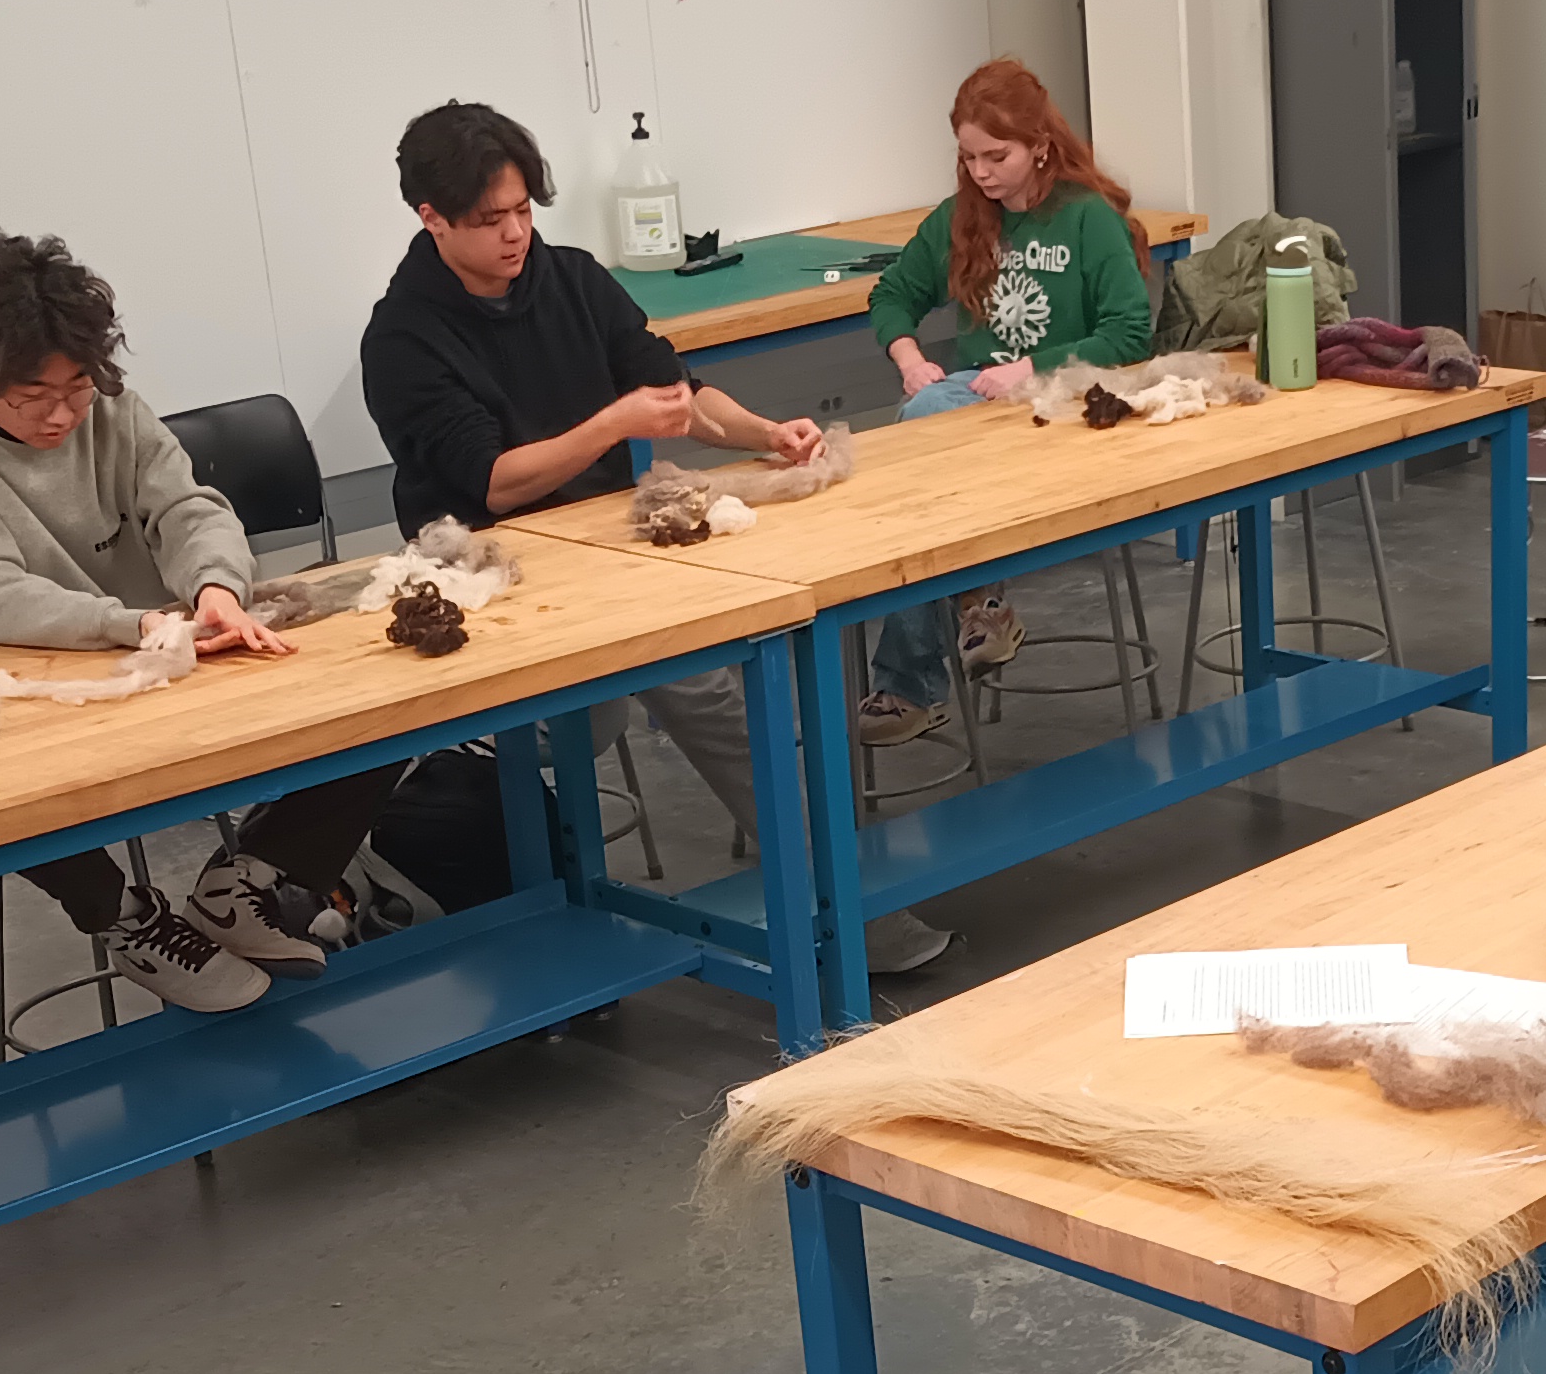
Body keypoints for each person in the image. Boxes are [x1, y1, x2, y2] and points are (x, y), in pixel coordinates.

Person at [359, 98, 952, 973]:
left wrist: (762, 433)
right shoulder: (403, 337)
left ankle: (838, 904)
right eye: (491, 221)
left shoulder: (569, 278)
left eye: (525, 210)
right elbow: (493, 480)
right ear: (432, 219)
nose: (516, 234)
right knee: (611, 715)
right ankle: (479, 851)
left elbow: (669, 385)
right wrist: (613, 424)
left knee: (734, 684)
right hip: (493, 578)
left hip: (616, 548)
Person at [0, 232, 433, 1015]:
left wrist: (215, 588)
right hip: (27, 677)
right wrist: (134, 624)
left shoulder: (113, 409)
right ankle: (129, 920)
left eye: (76, 387)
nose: (61, 413)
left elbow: (186, 508)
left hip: (170, 647)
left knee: (391, 696)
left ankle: (250, 881)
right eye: (31, 396)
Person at [855, 60, 1157, 744]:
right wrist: (910, 358)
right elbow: (892, 295)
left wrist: (1030, 366)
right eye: (969, 158)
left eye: (998, 156)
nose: (983, 172)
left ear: (1039, 146)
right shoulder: (963, 218)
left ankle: (915, 678)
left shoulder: (1086, 219)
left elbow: (1130, 333)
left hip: (1074, 406)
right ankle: (979, 603)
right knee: (924, 437)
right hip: (980, 413)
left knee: (917, 446)